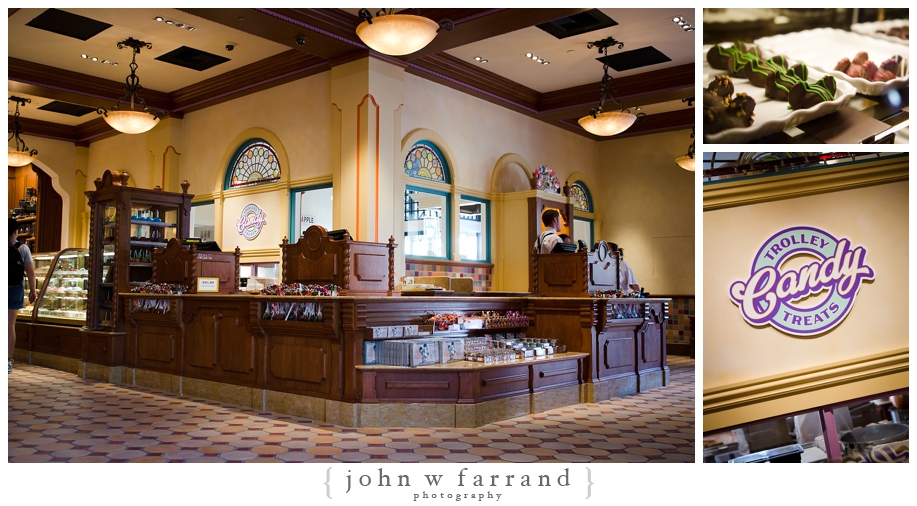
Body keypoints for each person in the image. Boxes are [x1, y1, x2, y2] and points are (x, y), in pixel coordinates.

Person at [9, 217, 37, 373]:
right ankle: (7, 362)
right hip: (15, 289)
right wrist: (33, 291)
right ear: (16, 232)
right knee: (9, 326)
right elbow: (31, 272)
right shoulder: (23, 248)